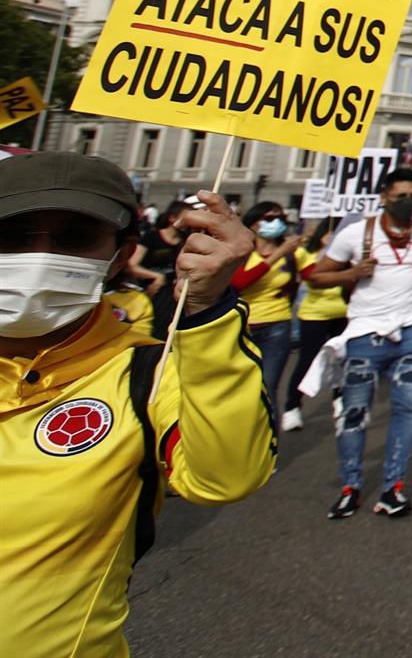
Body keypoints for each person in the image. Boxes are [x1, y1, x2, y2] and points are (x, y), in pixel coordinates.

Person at [0, 152, 275, 658]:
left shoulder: (147, 374)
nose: (39, 257)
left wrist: (207, 311)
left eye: (73, 238)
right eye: (13, 235)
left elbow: (225, 479)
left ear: (120, 255)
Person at [306, 167, 412, 520]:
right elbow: (315, 277)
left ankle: (392, 488)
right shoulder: (356, 233)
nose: (407, 202)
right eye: (400, 197)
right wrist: (351, 273)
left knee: (406, 410)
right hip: (364, 335)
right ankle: (350, 487)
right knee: (354, 413)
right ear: (385, 197)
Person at [229, 201, 304, 426]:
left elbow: (308, 278)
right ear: (254, 224)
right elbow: (239, 282)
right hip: (244, 327)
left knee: (268, 388)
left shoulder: (292, 253)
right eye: (270, 218)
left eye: (281, 218)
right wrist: (278, 254)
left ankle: (269, 443)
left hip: (277, 326)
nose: (277, 223)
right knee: (239, 388)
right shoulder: (242, 251)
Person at [285, 217, 348, 432]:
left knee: (343, 361)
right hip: (314, 315)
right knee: (307, 361)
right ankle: (292, 406)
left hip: (344, 314)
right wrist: (327, 252)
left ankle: (340, 400)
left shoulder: (348, 253)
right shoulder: (306, 253)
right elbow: (312, 276)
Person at [124, 198, 190, 325]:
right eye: (186, 218)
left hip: (171, 297)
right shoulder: (151, 237)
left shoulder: (186, 241)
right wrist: (157, 276)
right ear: (172, 218)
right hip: (148, 293)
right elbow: (131, 265)